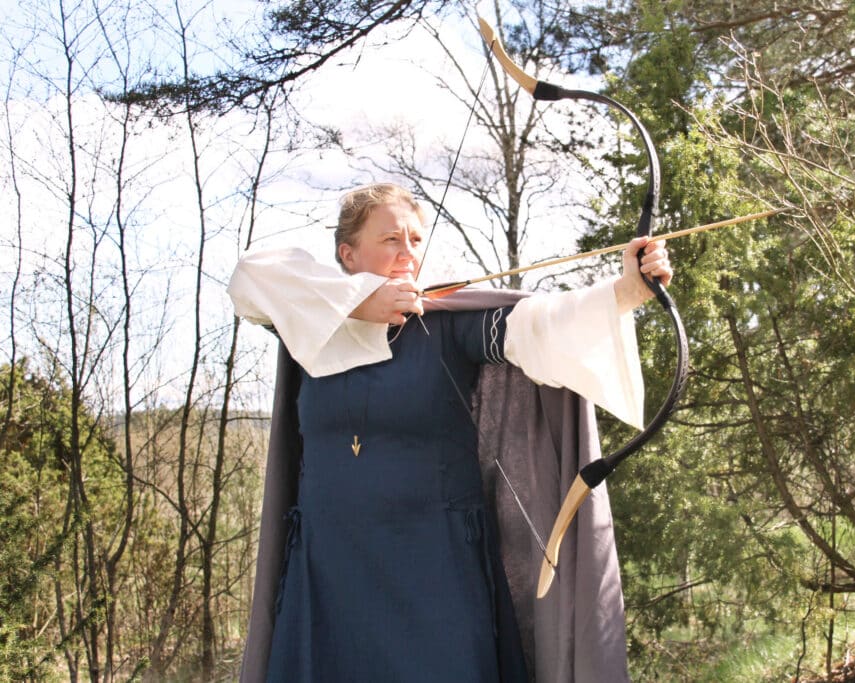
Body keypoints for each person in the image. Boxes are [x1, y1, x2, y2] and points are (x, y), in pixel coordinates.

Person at [228, 183, 673, 682]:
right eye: (391, 239)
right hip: (329, 569)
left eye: (416, 240)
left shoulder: (446, 324)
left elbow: (536, 326)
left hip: (435, 568)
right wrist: (357, 301)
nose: (408, 253)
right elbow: (248, 277)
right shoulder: (308, 324)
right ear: (348, 254)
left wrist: (626, 292)